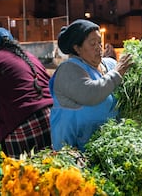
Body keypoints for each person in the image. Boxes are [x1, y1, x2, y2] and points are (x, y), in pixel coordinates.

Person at [49, 19, 133, 151]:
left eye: (100, 42)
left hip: (107, 147)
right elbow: (91, 93)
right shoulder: (68, 69)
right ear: (77, 48)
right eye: (93, 44)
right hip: (74, 152)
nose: (99, 48)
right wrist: (117, 73)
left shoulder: (110, 64)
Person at [0, 27, 53, 159]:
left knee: (23, 175)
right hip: (51, 119)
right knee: (53, 171)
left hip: (22, 126)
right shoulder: (30, 57)